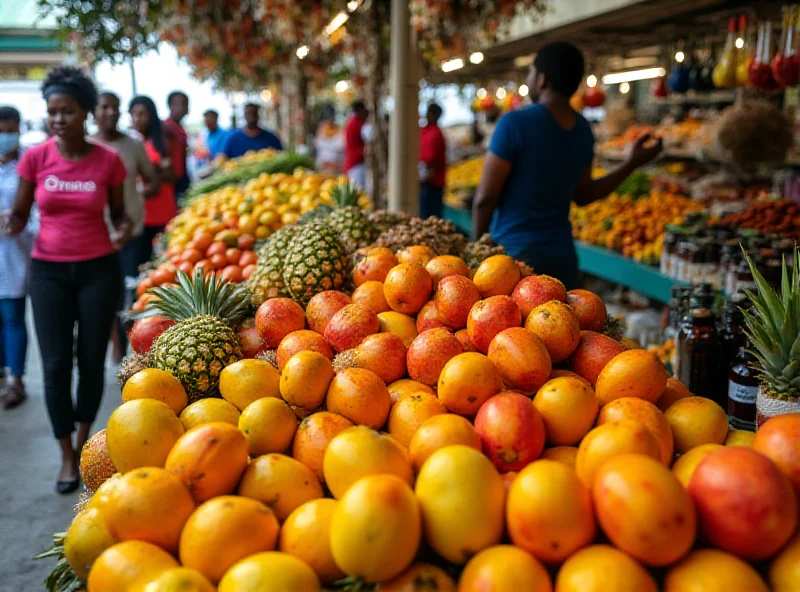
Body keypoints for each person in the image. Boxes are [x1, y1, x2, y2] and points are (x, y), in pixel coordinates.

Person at [4, 67, 130, 493]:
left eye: (68, 111)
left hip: (99, 270)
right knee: (56, 365)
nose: (59, 119)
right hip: (49, 273)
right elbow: (21, 213)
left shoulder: (107, 160)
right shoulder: (36, 158)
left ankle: (83, 439)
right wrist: (12, 221)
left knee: (90, 361)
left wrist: (125, 229)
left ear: (86, 114)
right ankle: (65, 454)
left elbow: (119, 214)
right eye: (53, 112)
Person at [473, 42, 662, 289]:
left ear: (542, 79)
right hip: (562, 255)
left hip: (513, 258)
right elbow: (584, 195)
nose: (528, 78)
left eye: (530, 72)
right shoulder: (583, 129)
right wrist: (630, 164)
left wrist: (476, 247)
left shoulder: (514, 123)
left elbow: (485, 197)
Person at [91, 91, 159, 360]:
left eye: (115, 108)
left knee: (130, 291)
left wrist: (141, 194)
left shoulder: (132, 146)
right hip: (95, 235)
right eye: (104, 107)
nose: (110, 112)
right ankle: (115, 344)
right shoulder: (86, 146)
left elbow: (151, 179)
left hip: (132, 233)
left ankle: (128, 340)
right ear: (93, 112)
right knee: (105, 292)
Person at [0, 106, 33, 409]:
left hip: (17, 254)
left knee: (12, 318)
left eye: (10, 131)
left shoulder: (29, 163)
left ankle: (16, 379)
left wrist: (14, 222)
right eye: (1, 131)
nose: (5, 137)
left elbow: (36, 215)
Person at [130, 95, 178, 264]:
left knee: (163, 261)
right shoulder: (135, 143)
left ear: (151, 115)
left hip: (162, 209)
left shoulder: (163, 141)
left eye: (142, 114)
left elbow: (174, 173)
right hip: (142, 212)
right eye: (134, 114)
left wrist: (153, 171)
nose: (137, 119)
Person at [418, 103, 447, 219]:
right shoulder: (428, 131)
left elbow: (432, 159)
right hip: (427, 182)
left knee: (431, 217)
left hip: (432, 183)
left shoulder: (434, 133)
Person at [162, 91, 190, 198]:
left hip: (182, 179)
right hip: (172, 183)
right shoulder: (165, 129)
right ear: (171, 106)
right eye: (184, 105)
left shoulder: (180, 129)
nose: (187, 110)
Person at [343, 100, 369, 190]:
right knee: (359, 190)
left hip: (353, 163)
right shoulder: (358, 124)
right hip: (356, 164)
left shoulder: (352, 122)